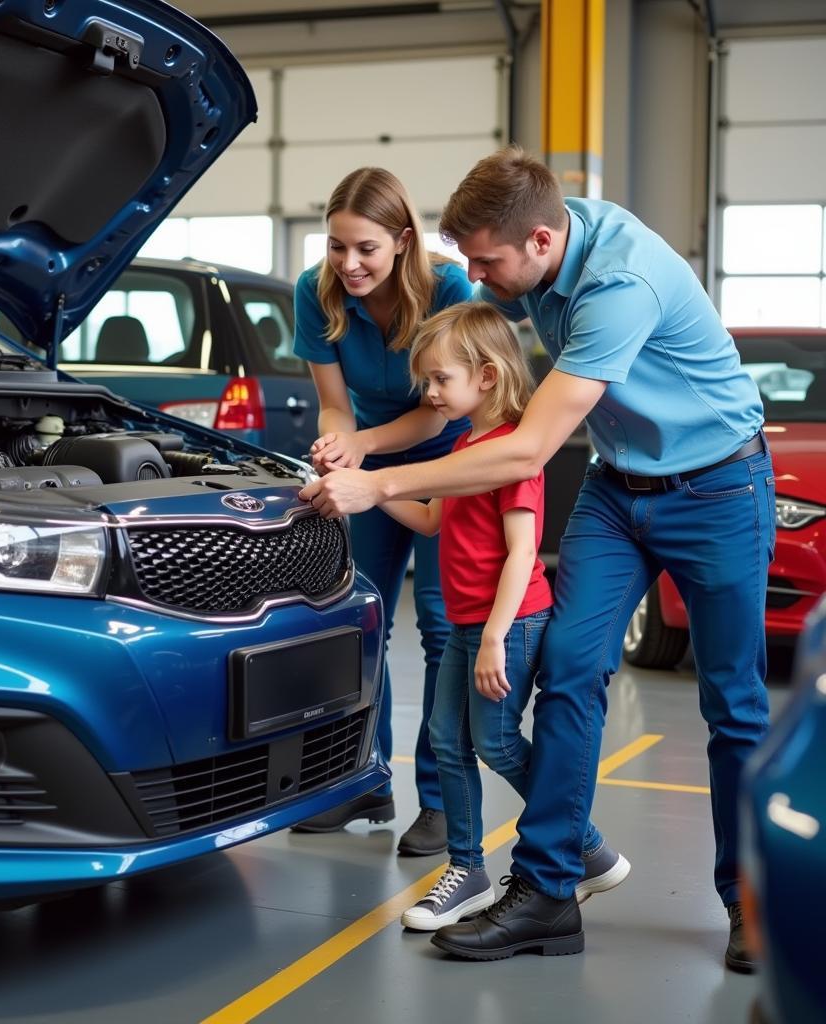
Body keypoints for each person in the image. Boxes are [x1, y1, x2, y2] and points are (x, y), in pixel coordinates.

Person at [299, 146, 772, 970]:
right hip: (619, 488)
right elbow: (467, 359)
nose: (475, 278)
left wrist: (381, 486)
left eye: (486, 262)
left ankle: (752, 899)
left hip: (718, 489)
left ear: (543, 243)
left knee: (733, 705)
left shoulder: (619, 286)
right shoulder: (535, 245)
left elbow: (528, 451)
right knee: (568, 670)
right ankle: (550, 888)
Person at [381, 302, 628, 932]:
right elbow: (435, 519)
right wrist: (373, 489)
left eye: (440, 379)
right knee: (447, 739)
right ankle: (468, 871)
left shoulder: (513, 453)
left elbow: (523, 552)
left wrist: (494, 637)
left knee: (491, 740)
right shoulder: (465, 445)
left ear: (486, 376)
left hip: (508, 625)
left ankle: (584, 840)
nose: (431, 393)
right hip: (469, 623)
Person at [289, 167, 473, 855]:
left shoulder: (449, 289)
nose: (349, 263)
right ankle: (362, 779)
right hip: (369, 456)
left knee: (440, 625)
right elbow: (335, 400)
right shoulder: (317, 291)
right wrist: (340, 441)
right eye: (337, 246)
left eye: (365, 248)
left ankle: (442, 801)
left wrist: (359, 448)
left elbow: (435, 418)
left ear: (401, 240)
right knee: (356, 618)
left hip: (447, 459)